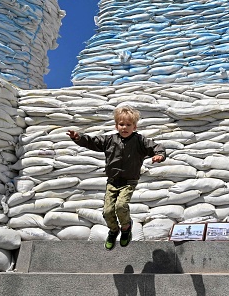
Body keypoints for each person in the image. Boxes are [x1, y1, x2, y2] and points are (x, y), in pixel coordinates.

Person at [67, 105, 166, 250]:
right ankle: (114, 231)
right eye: (121, 124)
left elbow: (156, 147)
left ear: (135, 126)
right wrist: (79, 138)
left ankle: (126, 228)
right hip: (112, 182)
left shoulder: (139, 141)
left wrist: (160, 155)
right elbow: (92, 141)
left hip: (129, 181)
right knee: (107, 211)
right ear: (116, 125)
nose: (124, 127)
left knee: (121, 206)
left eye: (128, 125)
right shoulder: (109, 140)